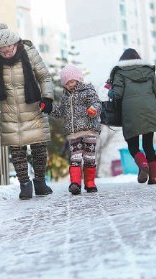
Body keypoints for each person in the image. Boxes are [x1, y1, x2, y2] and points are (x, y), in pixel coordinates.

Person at [0, 23, 54, 200]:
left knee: (39, 147)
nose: (7, 53)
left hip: (33, 106)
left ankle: (40, 181)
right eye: (3, 51)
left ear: (15, 43)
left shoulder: (30, 53)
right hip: (10, 110)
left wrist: (47, 97)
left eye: (9, 49)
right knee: (17, 150)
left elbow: (44, 76)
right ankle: (24, 184)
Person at [108, 48, 156, 184]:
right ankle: (155, 177)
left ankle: (143, 164)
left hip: (131, 113)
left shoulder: (120, 73)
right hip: (150, 112)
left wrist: (111, 91)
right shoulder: (148, 72)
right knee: (148, 144)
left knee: (132, 145)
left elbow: (117, 94)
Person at [49, 64, 101, 195]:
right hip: (73, 133)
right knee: (75, 157)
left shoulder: (87, 90)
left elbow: (97, 103)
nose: (70, 85)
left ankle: (90, 183)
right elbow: (62, 112)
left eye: (72, 81)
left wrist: (93, 109)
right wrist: (49, 108)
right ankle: (75, 183)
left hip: (89, 130)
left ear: (78, 79)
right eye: (66, 83)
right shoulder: (65, 96)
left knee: (89, 157)